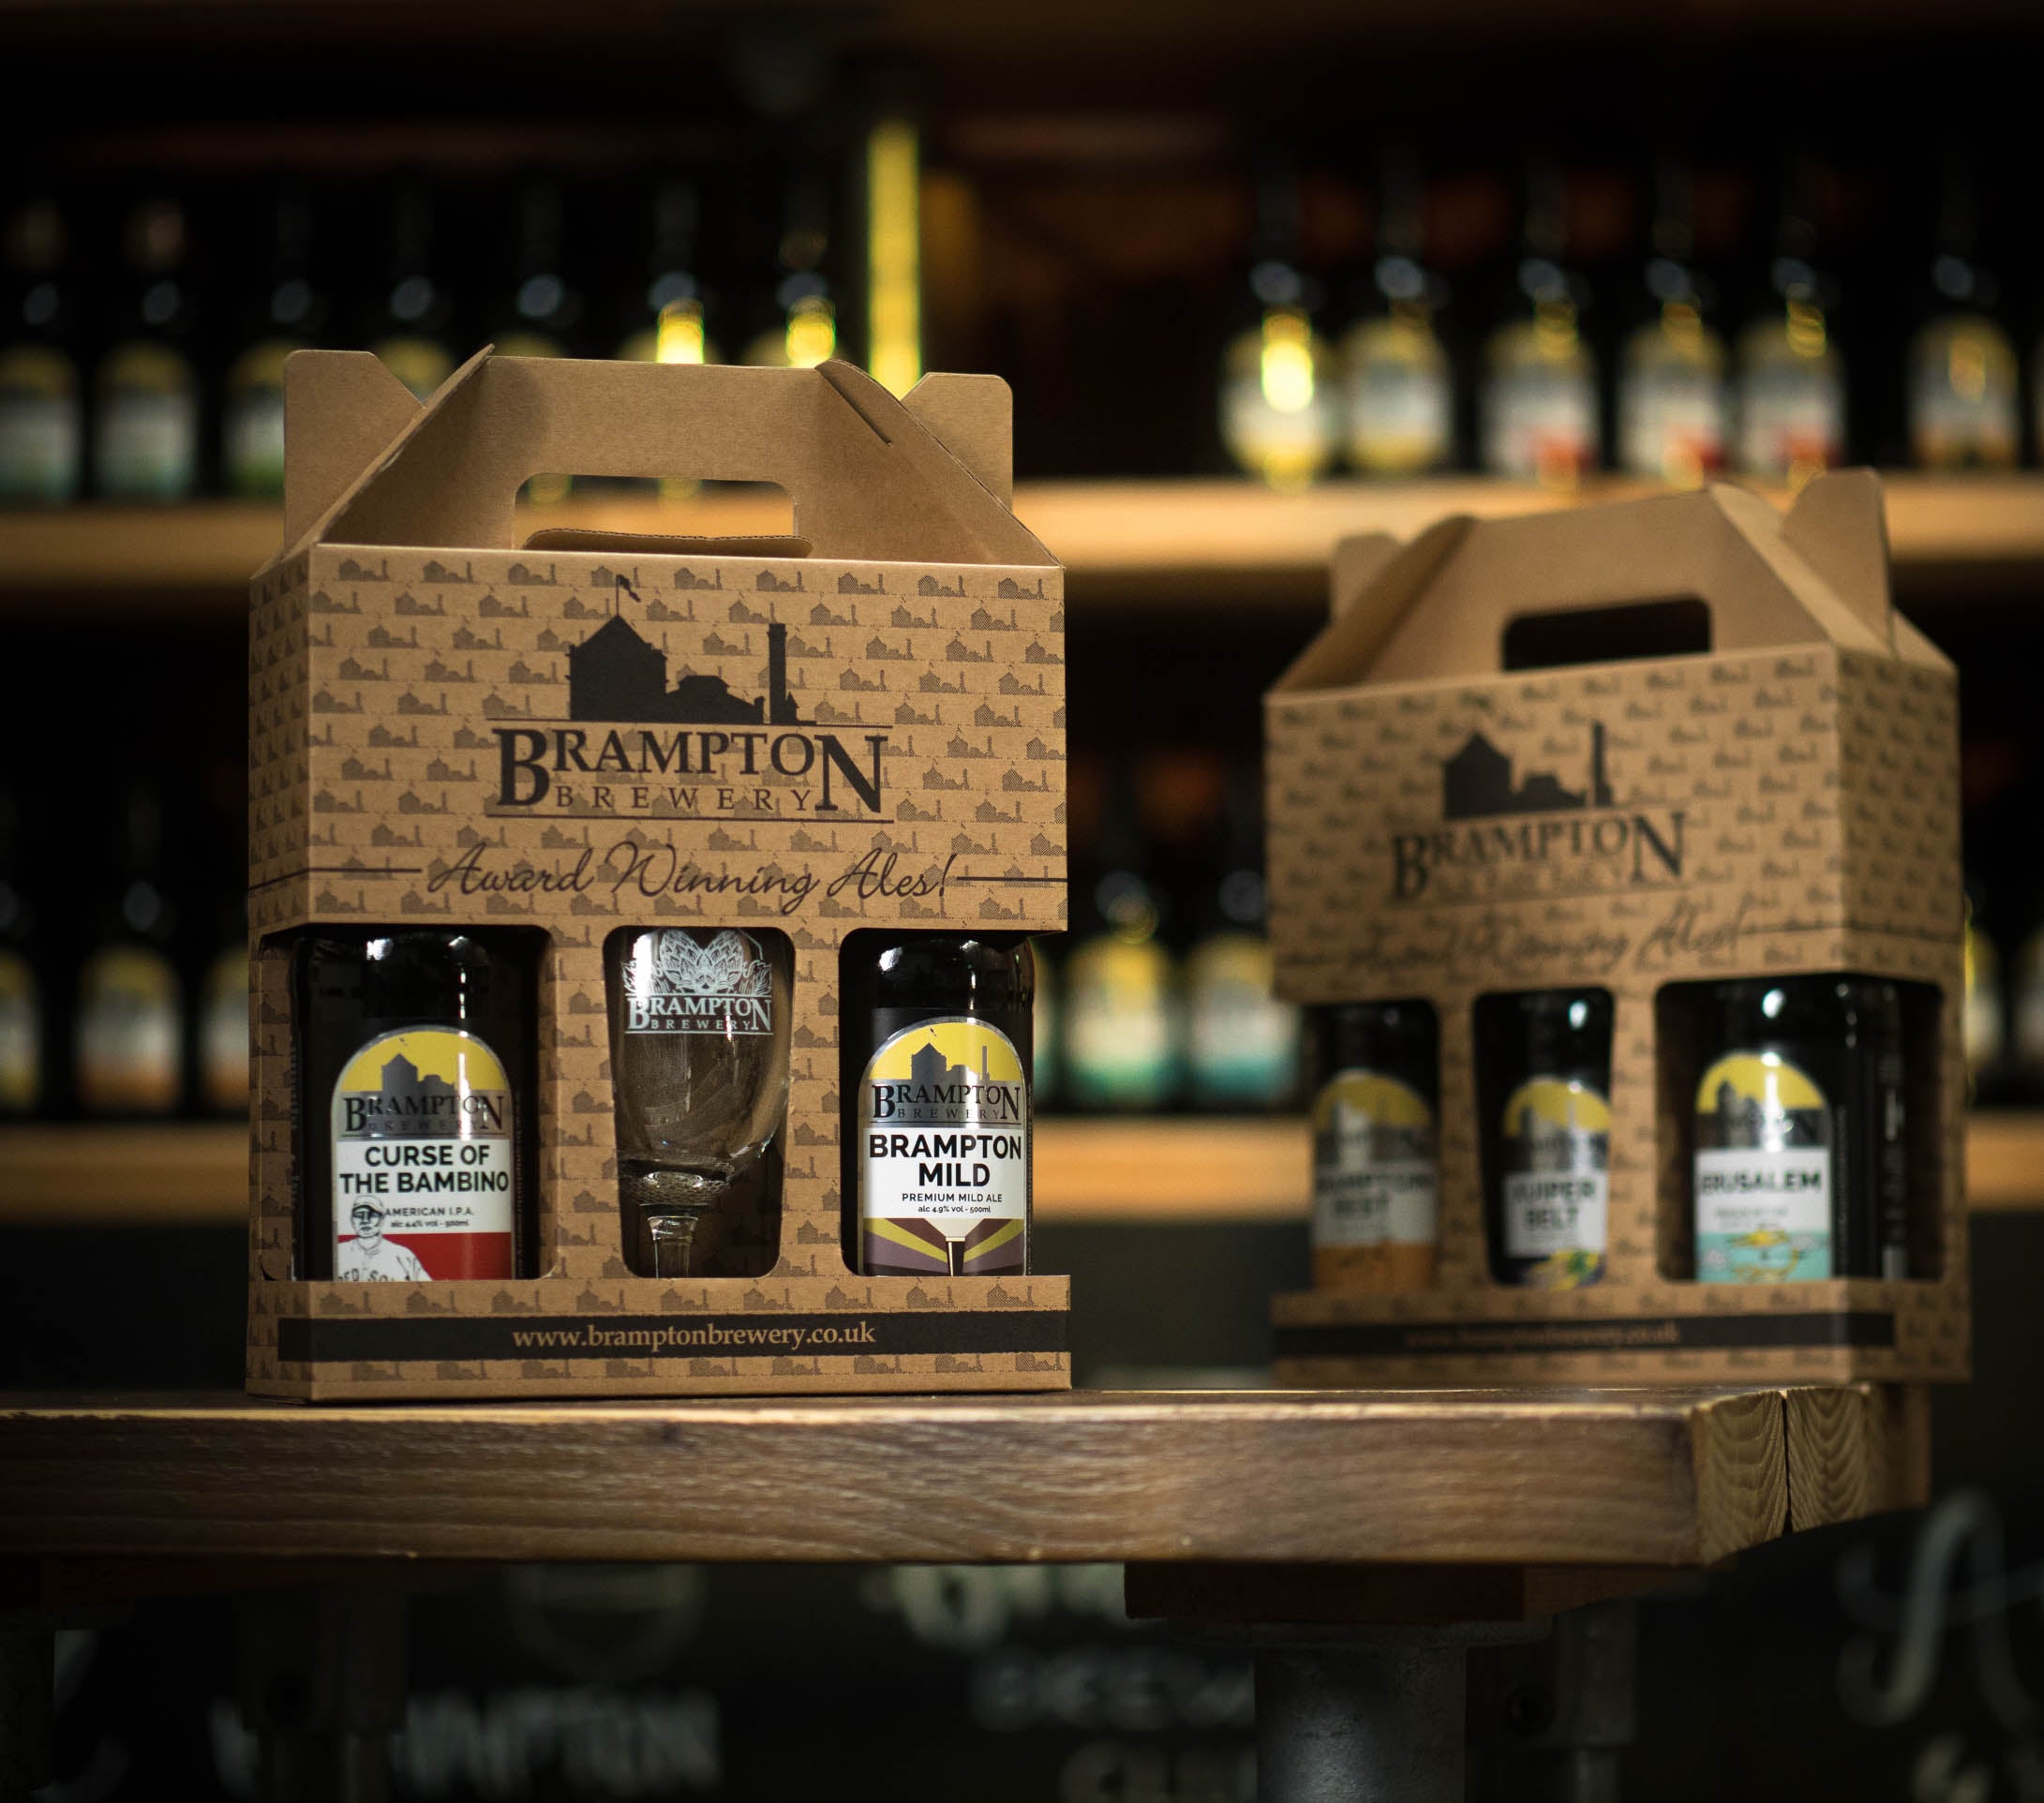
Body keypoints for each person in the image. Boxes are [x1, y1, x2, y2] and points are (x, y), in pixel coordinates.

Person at [337, 1200, 430, 1282]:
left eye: (373, 1215)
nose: (365, 1220)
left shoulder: (402, 1255)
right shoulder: (337, 1252)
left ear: (382, 1220)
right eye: (359, 1215)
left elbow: (429, 1293)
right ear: (351, 1220)